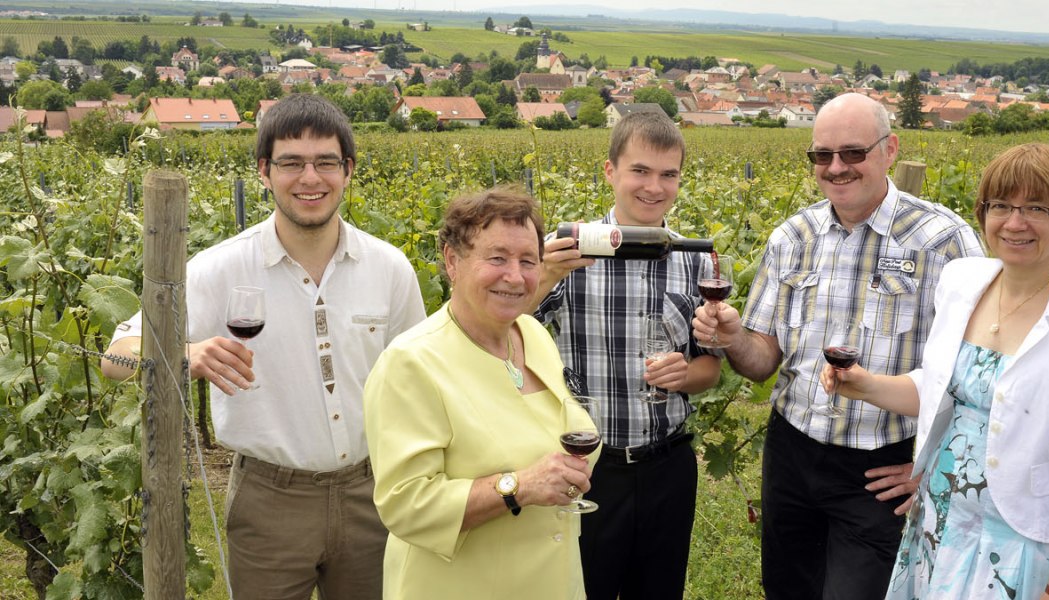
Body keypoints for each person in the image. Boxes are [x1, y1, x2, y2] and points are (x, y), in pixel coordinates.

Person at [101, 93, 427, 599]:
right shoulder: (219, 269)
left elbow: (417, 376)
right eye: (291, 163)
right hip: (269, 501)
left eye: (325, 162)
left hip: (374, 495)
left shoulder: (390, 269)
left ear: (349, 169)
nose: (310, 178)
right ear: (264, 171)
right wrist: (187, 355)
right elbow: (115, 357)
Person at [692, 92, 985, 600]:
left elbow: (981, 372)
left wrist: (936, 466)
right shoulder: (792, 237)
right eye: (821, 156)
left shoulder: (944, 242)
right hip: (792, 456)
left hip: (881, 468)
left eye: (853, 153)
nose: (836, 167)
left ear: (890, 149)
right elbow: (763, 364)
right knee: (787, 588)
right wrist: (734, 337)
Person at [821, 143, 1049, 600]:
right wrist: (865, 385)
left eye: (1037, 208)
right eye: (1002, 206)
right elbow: (943, 390)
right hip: (940, 522)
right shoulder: (962, 281)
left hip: (1021, 542)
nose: (1015, 223)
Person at [363, 187, 598, 599]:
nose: (515, 275)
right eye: (497, 258)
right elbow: (405, 504)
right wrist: (518, 487)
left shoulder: (533, 334)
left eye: (528, 261)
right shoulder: (411, 363)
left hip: (552, 583)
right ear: (453, 261)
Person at [532, 110, 722, 600]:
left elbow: (710, 369)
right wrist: (547, 275)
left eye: (668, 174)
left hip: (667, 467)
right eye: (640, 170)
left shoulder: (694, 258)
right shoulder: (569, 250)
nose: (653, 187)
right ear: (610, 171)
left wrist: (686, 375)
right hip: (588, 468)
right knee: (583, 588)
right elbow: (507, 329)